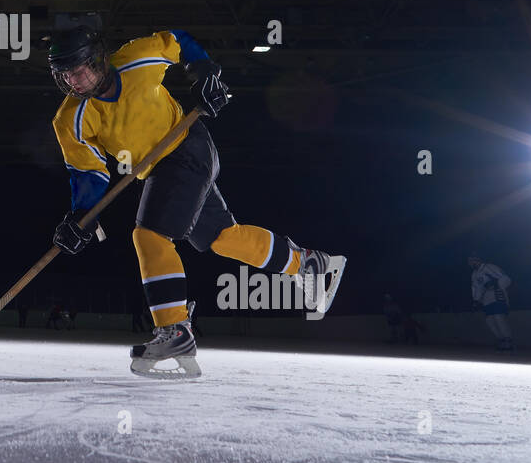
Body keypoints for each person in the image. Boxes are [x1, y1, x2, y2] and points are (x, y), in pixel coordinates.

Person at [48, 26, 345, 377]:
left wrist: (204, 72)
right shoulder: (70, 119)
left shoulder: (136, 58)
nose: (74, 80)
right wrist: (82, 214)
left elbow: (179, 41)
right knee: (224, 238)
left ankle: (174, 330)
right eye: (65, 74)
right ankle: (306, 263)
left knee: (150, 236)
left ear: (98, 59)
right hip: (162, 170)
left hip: (188, 147)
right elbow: (88, 173)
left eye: (79, 68)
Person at [468, 254, 514, 352]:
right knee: (489, 320)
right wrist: (476, 300)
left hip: (497, 294)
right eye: (469, 261)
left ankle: (508, 340)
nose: (471, 263)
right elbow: (476, 288)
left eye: (472, 260)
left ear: (478, 259)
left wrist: (496, 283)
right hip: (486, 298)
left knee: (498, 317)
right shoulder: (474, 274)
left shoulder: (489, 267)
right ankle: (501, 339)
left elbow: (506, 279)